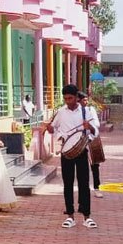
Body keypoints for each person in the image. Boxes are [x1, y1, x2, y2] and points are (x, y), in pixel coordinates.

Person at [45, 84, 100, 229]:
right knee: (67, 184)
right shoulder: (60, 112)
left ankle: (87, 217)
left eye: (70, 98)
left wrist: (89, 127)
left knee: (84, 184)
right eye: (65, 99)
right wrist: (51, 129)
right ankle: (70, 216)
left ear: (77, 97)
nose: (68, 101)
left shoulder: (85, 111)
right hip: (66, 152)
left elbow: (95, 131)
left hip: (81, 150)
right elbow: (53, 128)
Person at [78, 92, 104, 199]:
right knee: (81, 167)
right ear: (78, 100)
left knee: (95, 165)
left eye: (86, 100)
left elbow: (97, 124)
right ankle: (83, 189)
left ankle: (97, 188)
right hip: (79, 142)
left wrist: (89, 125)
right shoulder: (73, 112)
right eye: (84, 100)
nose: (86, 102)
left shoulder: (90, 110)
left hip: (91, 140)